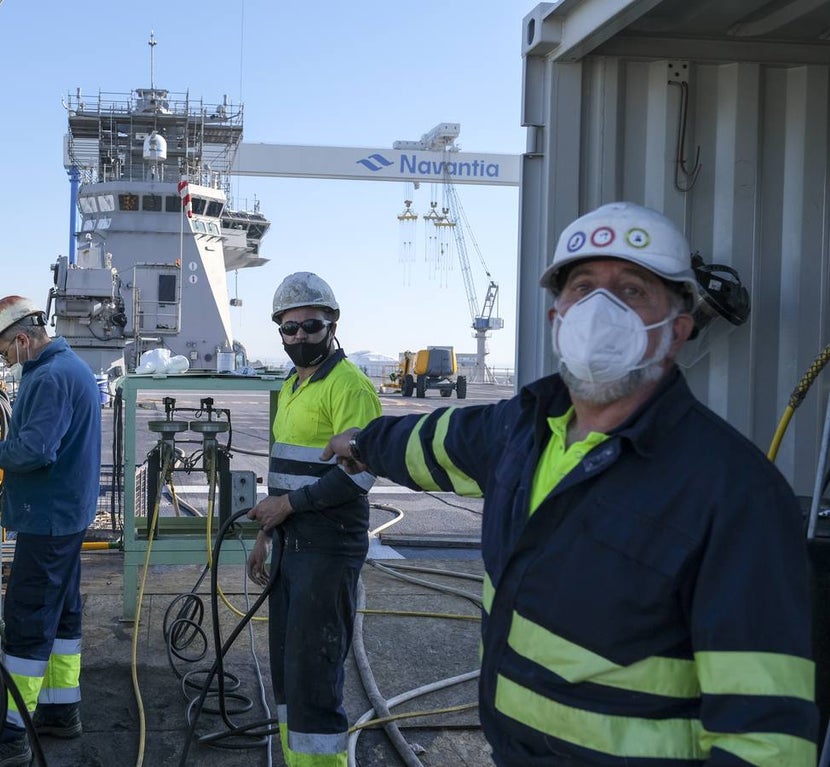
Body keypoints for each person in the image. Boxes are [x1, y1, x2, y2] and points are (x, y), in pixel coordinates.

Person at [324, 201, 818, 765]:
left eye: (632, 290)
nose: (600, 309)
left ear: (678, 328)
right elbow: (430, 441)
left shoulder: (735, 493)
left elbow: (765, 738)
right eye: (583, 287)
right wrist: (362, 444)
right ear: (558, 316)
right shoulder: (520, 427)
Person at [245, 272, 382, 767]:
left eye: (311, 326)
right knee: (288, 669)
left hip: (327, 546)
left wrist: (287, 509)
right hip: (291, 543)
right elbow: (287, 472)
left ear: (333, 325)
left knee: (314, 673)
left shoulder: (350, 387)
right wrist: (267, 532)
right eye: (290, 329)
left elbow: (360, 476)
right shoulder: (291, 384)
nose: (300, 337)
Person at [0, 296, 102, 767]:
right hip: (67, 515)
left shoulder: (48, 377)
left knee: (28, 619)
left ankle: (13, 732)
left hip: (48, 519)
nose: (4, 361)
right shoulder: (71, 367)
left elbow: (33, 451)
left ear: (24, 339)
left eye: (5, 351)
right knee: (63, 615)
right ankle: (60, 710)